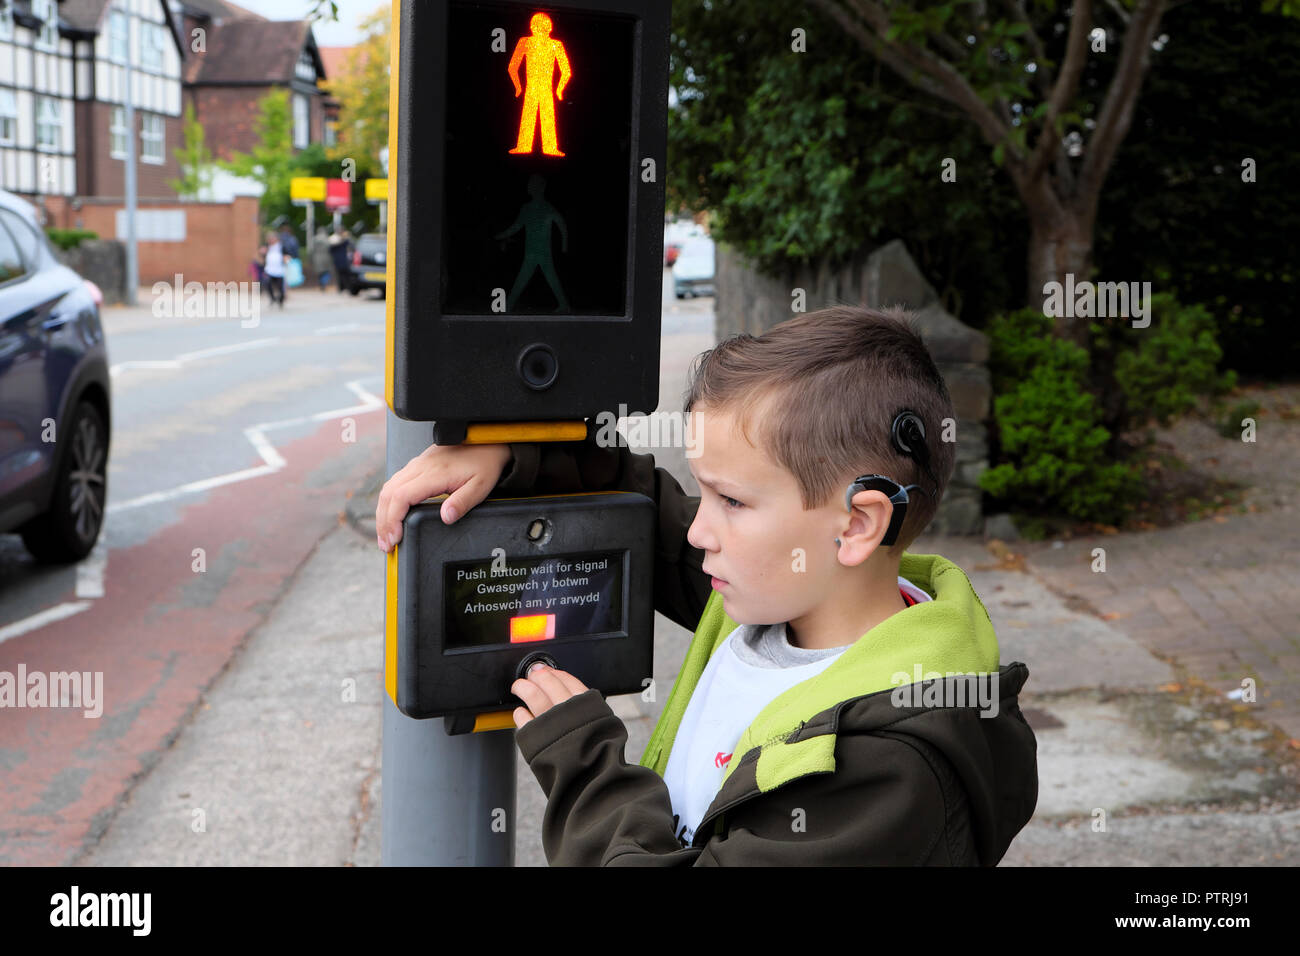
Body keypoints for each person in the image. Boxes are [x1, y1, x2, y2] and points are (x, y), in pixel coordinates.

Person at [373, 306, 1039, 865]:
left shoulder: (887, 770)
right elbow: (647, 513)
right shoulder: (781, 594)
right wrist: (519, 453)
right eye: (703, 494)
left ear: (859, 523)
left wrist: (583, 762)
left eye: (732, 502)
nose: (699, 532)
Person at [261, 230, 285, 308]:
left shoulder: (282, 246)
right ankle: (272, 298)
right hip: (269, 269)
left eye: (272, 239)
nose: (270, 240)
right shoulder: (267, 247)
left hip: (279, 270)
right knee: (267, 283)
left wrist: (286, 258)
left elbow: (288, 255)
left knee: (280, 287)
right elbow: (262, 256)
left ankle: (280, 300)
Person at [329, 229, 355, 294]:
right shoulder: (344, 243)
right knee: (346, 276)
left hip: (337, 262)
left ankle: (341, 288)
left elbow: (330, 251)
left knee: (340, 276)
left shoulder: (334, 245)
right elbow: (351, 244)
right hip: (345, 262)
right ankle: (347, 288)